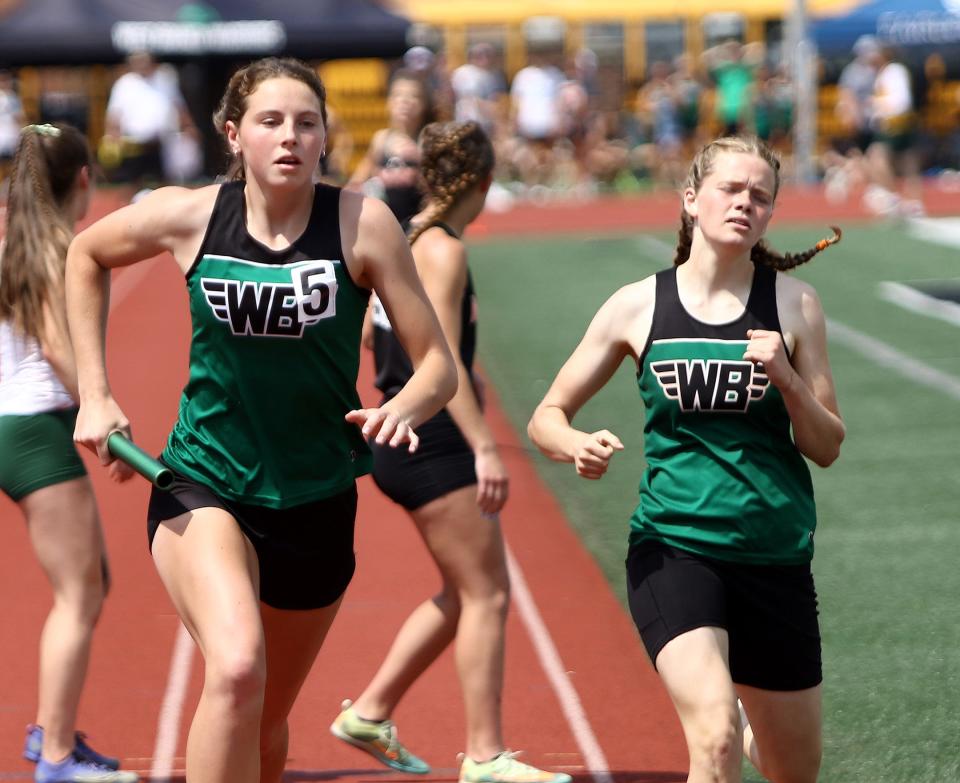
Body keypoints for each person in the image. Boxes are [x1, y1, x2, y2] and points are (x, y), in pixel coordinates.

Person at [64, 57, 457, 783]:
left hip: (315, 500)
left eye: (306, 123)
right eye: (271, 122)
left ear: (325, 138)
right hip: (203, 480)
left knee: (266, 721)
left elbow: (437, 364)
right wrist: (95, 389)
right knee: (238, 666)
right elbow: (87, 253)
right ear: (233, 134)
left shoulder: (362, 224)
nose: (290, 137)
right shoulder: (194, 215)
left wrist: (403, 404)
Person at [527, 135, 845, 783]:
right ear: (692, 197)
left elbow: (827, 444)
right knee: (715, 733)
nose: (745, 203)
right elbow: (546, 416)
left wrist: (787, 377)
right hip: (675, 549)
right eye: (731, 188)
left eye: (760, 195)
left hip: (775, 556)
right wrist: (575, 444)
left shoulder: (795, 305)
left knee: (794, 769)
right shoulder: (637, 305)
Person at [329, 121, 571, 783]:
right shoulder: (443, 248)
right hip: (427, 436)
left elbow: (394, 344)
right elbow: (439, 365)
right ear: (484, 182)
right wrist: (485, 447)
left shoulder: (408, 237)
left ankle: (372, 711)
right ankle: (486, 756)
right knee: (489, 592)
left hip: (402, 429)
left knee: (466, 591)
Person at [0, 123, 139, 783]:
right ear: (84, 178)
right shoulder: (62, 244)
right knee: (78, 595)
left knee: (90, 583)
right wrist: (104, 412)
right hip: (33, 424)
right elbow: (59, 343)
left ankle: (50, 730)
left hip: (17, 422)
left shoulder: (13, 234)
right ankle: (54, 758)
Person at [347, 69, 433, 222]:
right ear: (389, 102)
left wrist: (418, 158)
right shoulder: (381, 139)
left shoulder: (428, 139)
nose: (405, 101)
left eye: (413, 96)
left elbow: (438, 191)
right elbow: (356, 182)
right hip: (385, 225)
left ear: (424, 104)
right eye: (398, 95)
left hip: (417, 224)